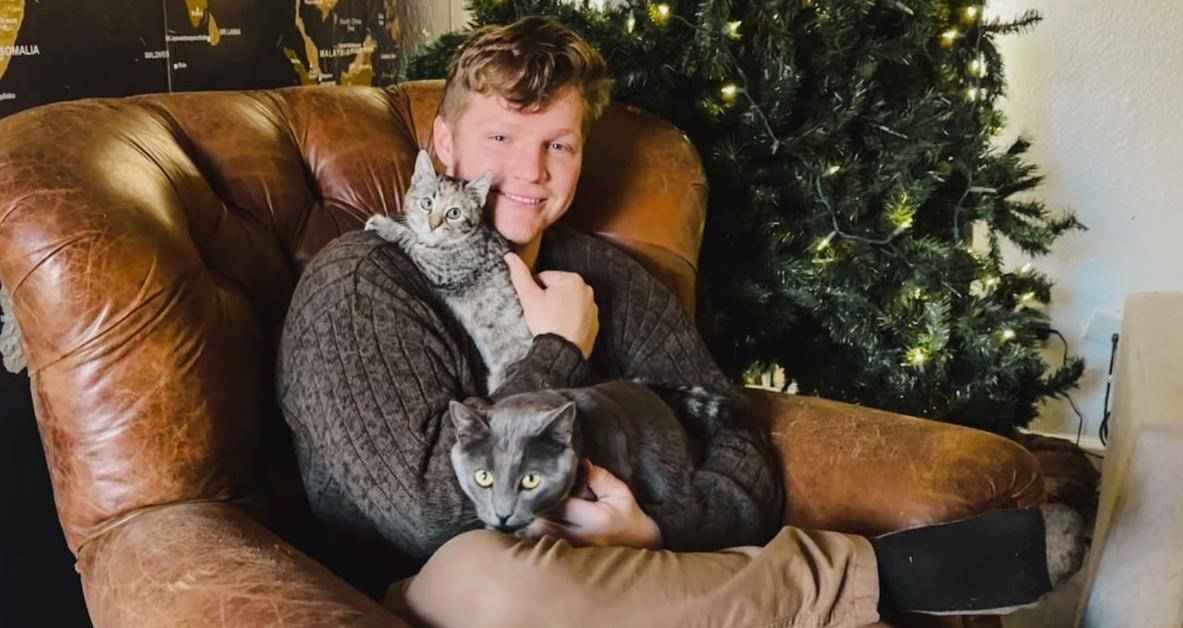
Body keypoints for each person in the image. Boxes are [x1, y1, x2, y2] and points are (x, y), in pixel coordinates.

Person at [275, 16, 1084, 628]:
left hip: (625, 578)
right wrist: (558, 348)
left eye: (558, 145)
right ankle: (878, 579)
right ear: (444, 147)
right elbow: (428, 517)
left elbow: (737, 447)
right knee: (490, 578)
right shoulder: (365, 281)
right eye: (501, 139)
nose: (529, 172)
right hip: (429, 589)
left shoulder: (604, 275)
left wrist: (652, 528)